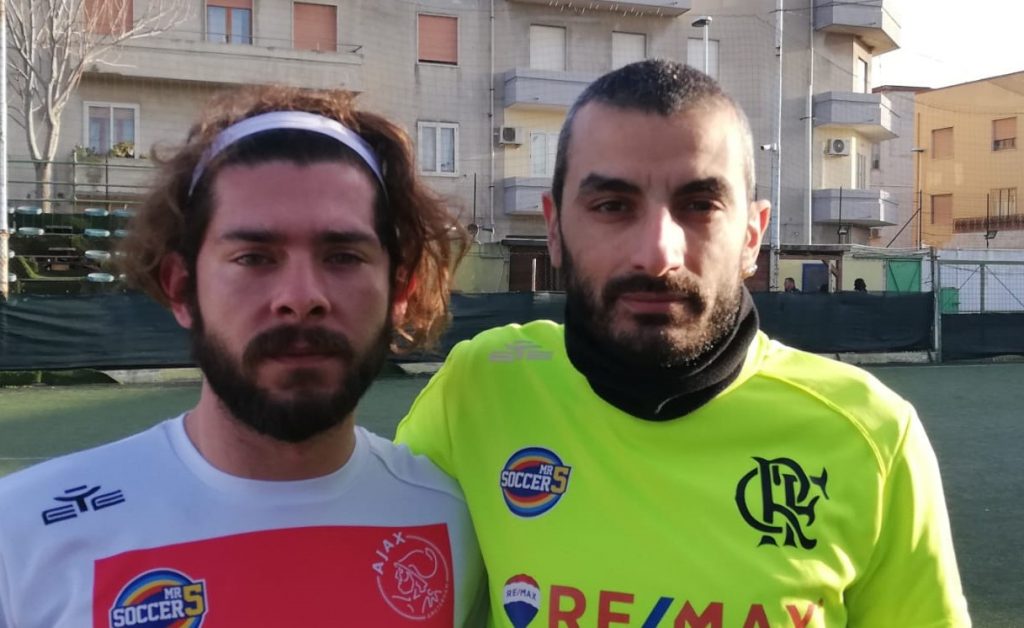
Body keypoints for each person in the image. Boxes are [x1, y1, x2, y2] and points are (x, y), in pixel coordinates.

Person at [396, 60, 969, 627]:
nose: (657, 254)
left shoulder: (872, 435)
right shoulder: (480, 389)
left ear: (752, 236)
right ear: (554, 228)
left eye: (700, 206)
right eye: (612, 205)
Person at [0, 87, 486, 626]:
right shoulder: (20, 535)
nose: (301, 297)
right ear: (182, 288)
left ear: (399, 289)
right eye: (254, 257)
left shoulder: (456, 520)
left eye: (344, 256)